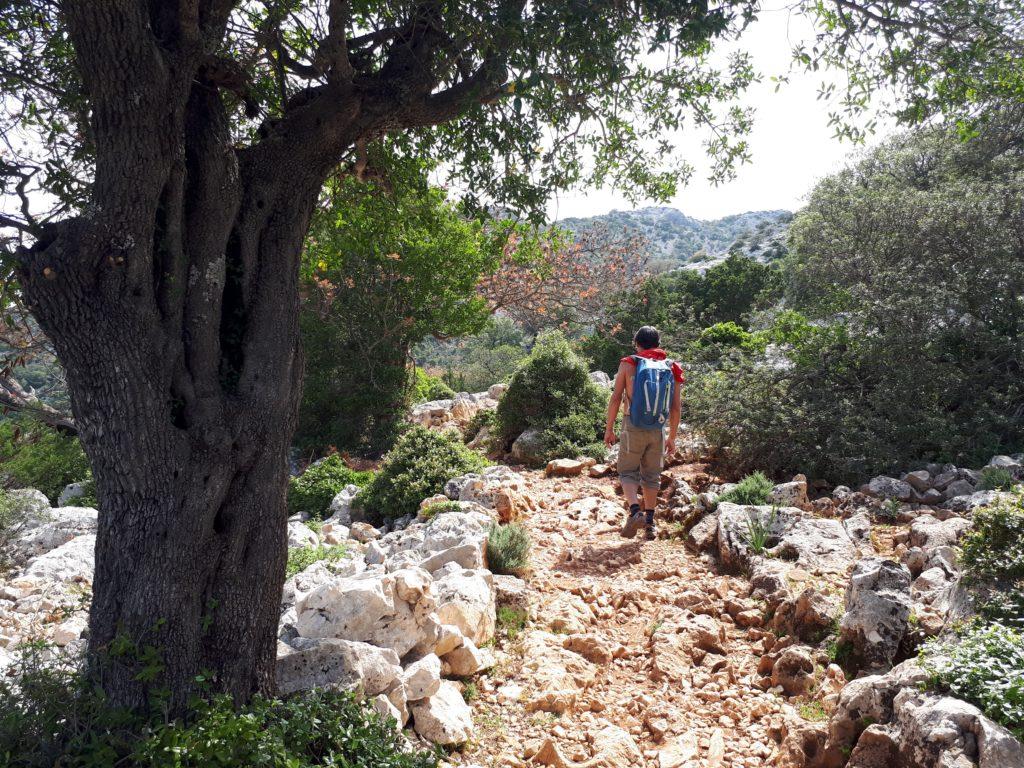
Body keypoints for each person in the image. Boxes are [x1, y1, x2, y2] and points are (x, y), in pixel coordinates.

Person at [603, 326, 683, 540]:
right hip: (658, 428)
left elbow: (616, 398)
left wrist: (609, 429)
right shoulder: (671, 366)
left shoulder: (629, 363)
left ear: (636, 343)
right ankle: (650, 524)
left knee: (628, 471)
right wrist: (672, 437)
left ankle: (635, 511)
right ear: (658, 343)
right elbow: (675, 407)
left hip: (632, 424)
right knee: (652, 476)